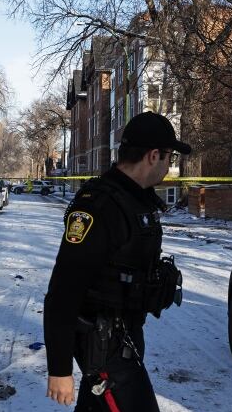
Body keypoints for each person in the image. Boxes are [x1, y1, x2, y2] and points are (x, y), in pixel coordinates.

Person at [44, 111, 191, 411]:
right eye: (170, 157)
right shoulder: (101, 207)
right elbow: (63, 290)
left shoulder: (137, 199)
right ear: (153, 156)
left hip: (126, 337)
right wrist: (59, 369)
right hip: (105, 346)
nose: (170, 165)